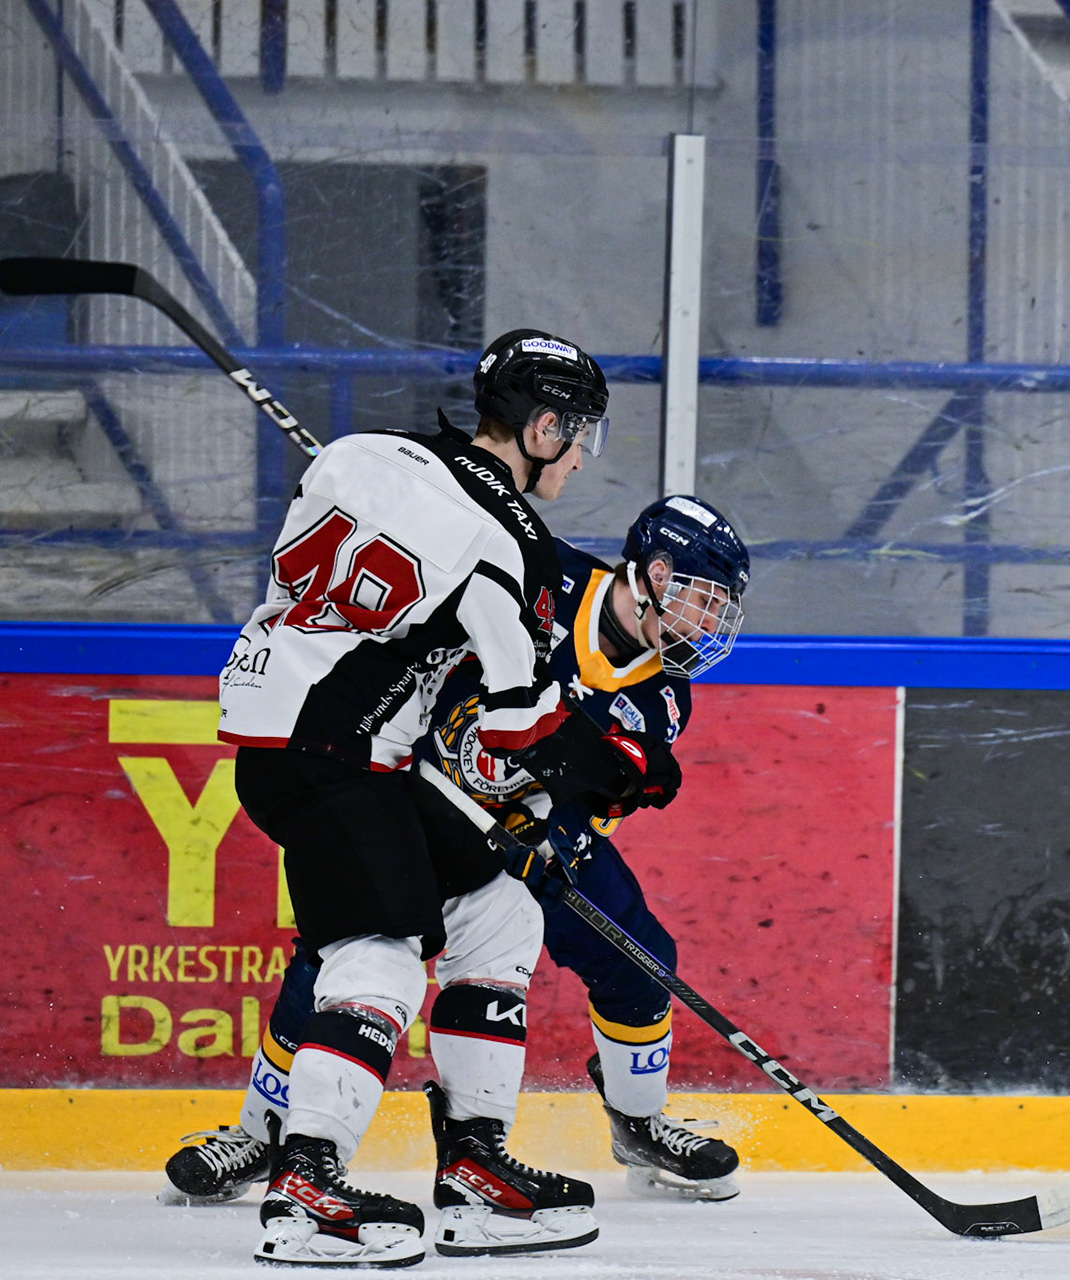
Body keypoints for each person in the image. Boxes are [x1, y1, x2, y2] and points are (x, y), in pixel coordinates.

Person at [214, 330, 681, 1266]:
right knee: (380, 953)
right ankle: (304, 1189)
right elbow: (517, 724)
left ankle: (475, 1168)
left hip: (313, 737)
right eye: (580, 434)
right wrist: (615, 765)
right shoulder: (510, 542)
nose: (582, 456)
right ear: (542, 428)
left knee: (500, 909)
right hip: (333, 755)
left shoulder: (368, 455)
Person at [168, 496, 753, 1218]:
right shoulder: (544, 575)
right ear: (658, 574)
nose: (710, 623)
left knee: (640, 959)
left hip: (527, 836)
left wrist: (553, 836)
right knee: (341, 950)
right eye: (705, 600)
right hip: (420, 796)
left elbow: (595, 797)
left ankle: (637, 1123)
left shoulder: (664, 700)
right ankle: (263, 1133)